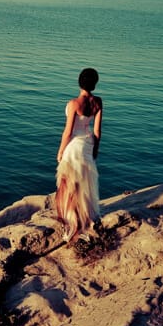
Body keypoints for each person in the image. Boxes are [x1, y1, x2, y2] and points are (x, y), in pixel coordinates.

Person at [55, 68, 103, 242]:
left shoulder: (74, 103)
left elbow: (68, 132)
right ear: (94, 83)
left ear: (80, 82)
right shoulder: (98, 102)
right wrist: (95, 149)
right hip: (88, 144)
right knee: (84, 184)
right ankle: (83, 218)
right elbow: (97, 131)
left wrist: (60, 151)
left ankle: (70, 222)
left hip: (74, 145)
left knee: (68, 184)